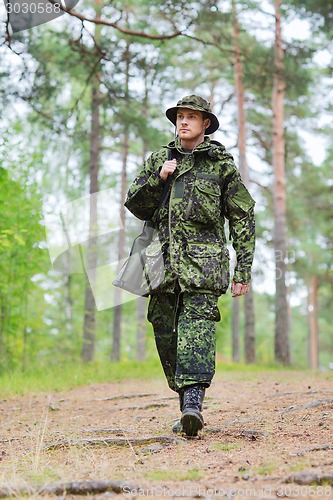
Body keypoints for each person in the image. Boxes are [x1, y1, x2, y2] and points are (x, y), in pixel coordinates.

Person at [124, 95, 255, 437]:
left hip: (203, 266)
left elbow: (242, 215)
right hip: (161, 267)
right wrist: (159, 178)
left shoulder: (221, 165)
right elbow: (135, 205)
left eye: (190, 118)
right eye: (179, 117)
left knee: (197, 332)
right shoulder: (158, 160)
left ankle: (193, 404)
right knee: (166, 335)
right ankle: (186, 401)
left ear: (205, 124)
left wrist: (244, 270)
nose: (183, 122)